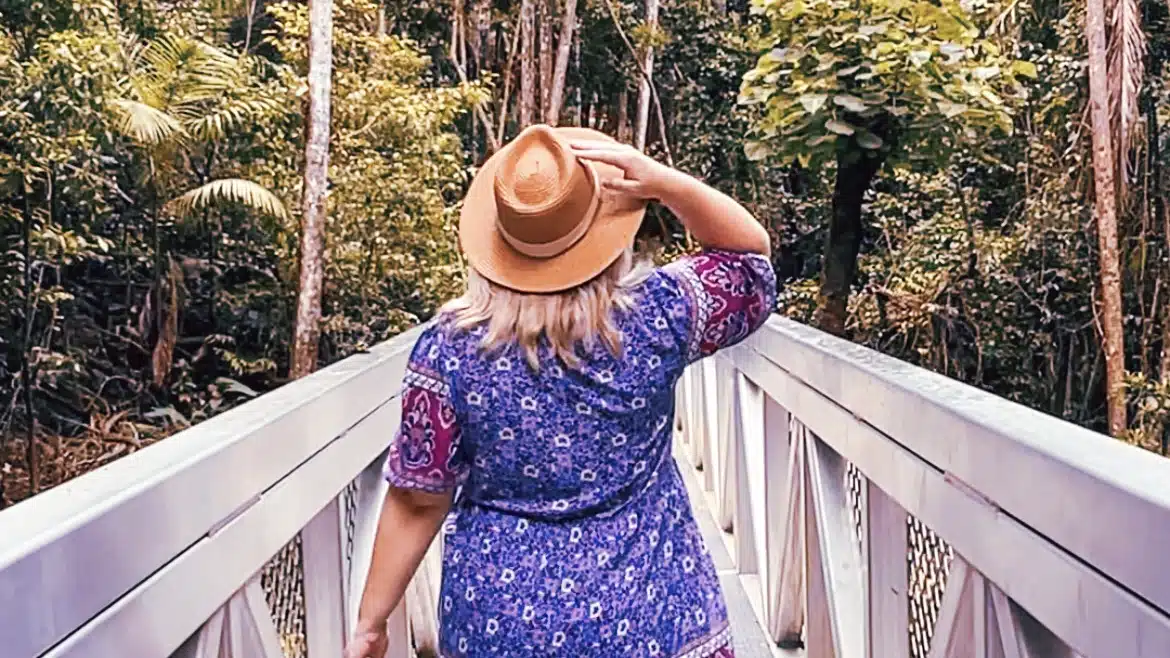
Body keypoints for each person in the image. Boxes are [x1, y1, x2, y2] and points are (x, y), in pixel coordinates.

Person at [345, 124, 776, 658]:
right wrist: (665, 183)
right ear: (606, 232)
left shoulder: (448, 350)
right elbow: (751, 261)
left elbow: (417, 499)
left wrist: (371, 622)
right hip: (650, 614)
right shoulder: (659, 316)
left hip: (499, 622)